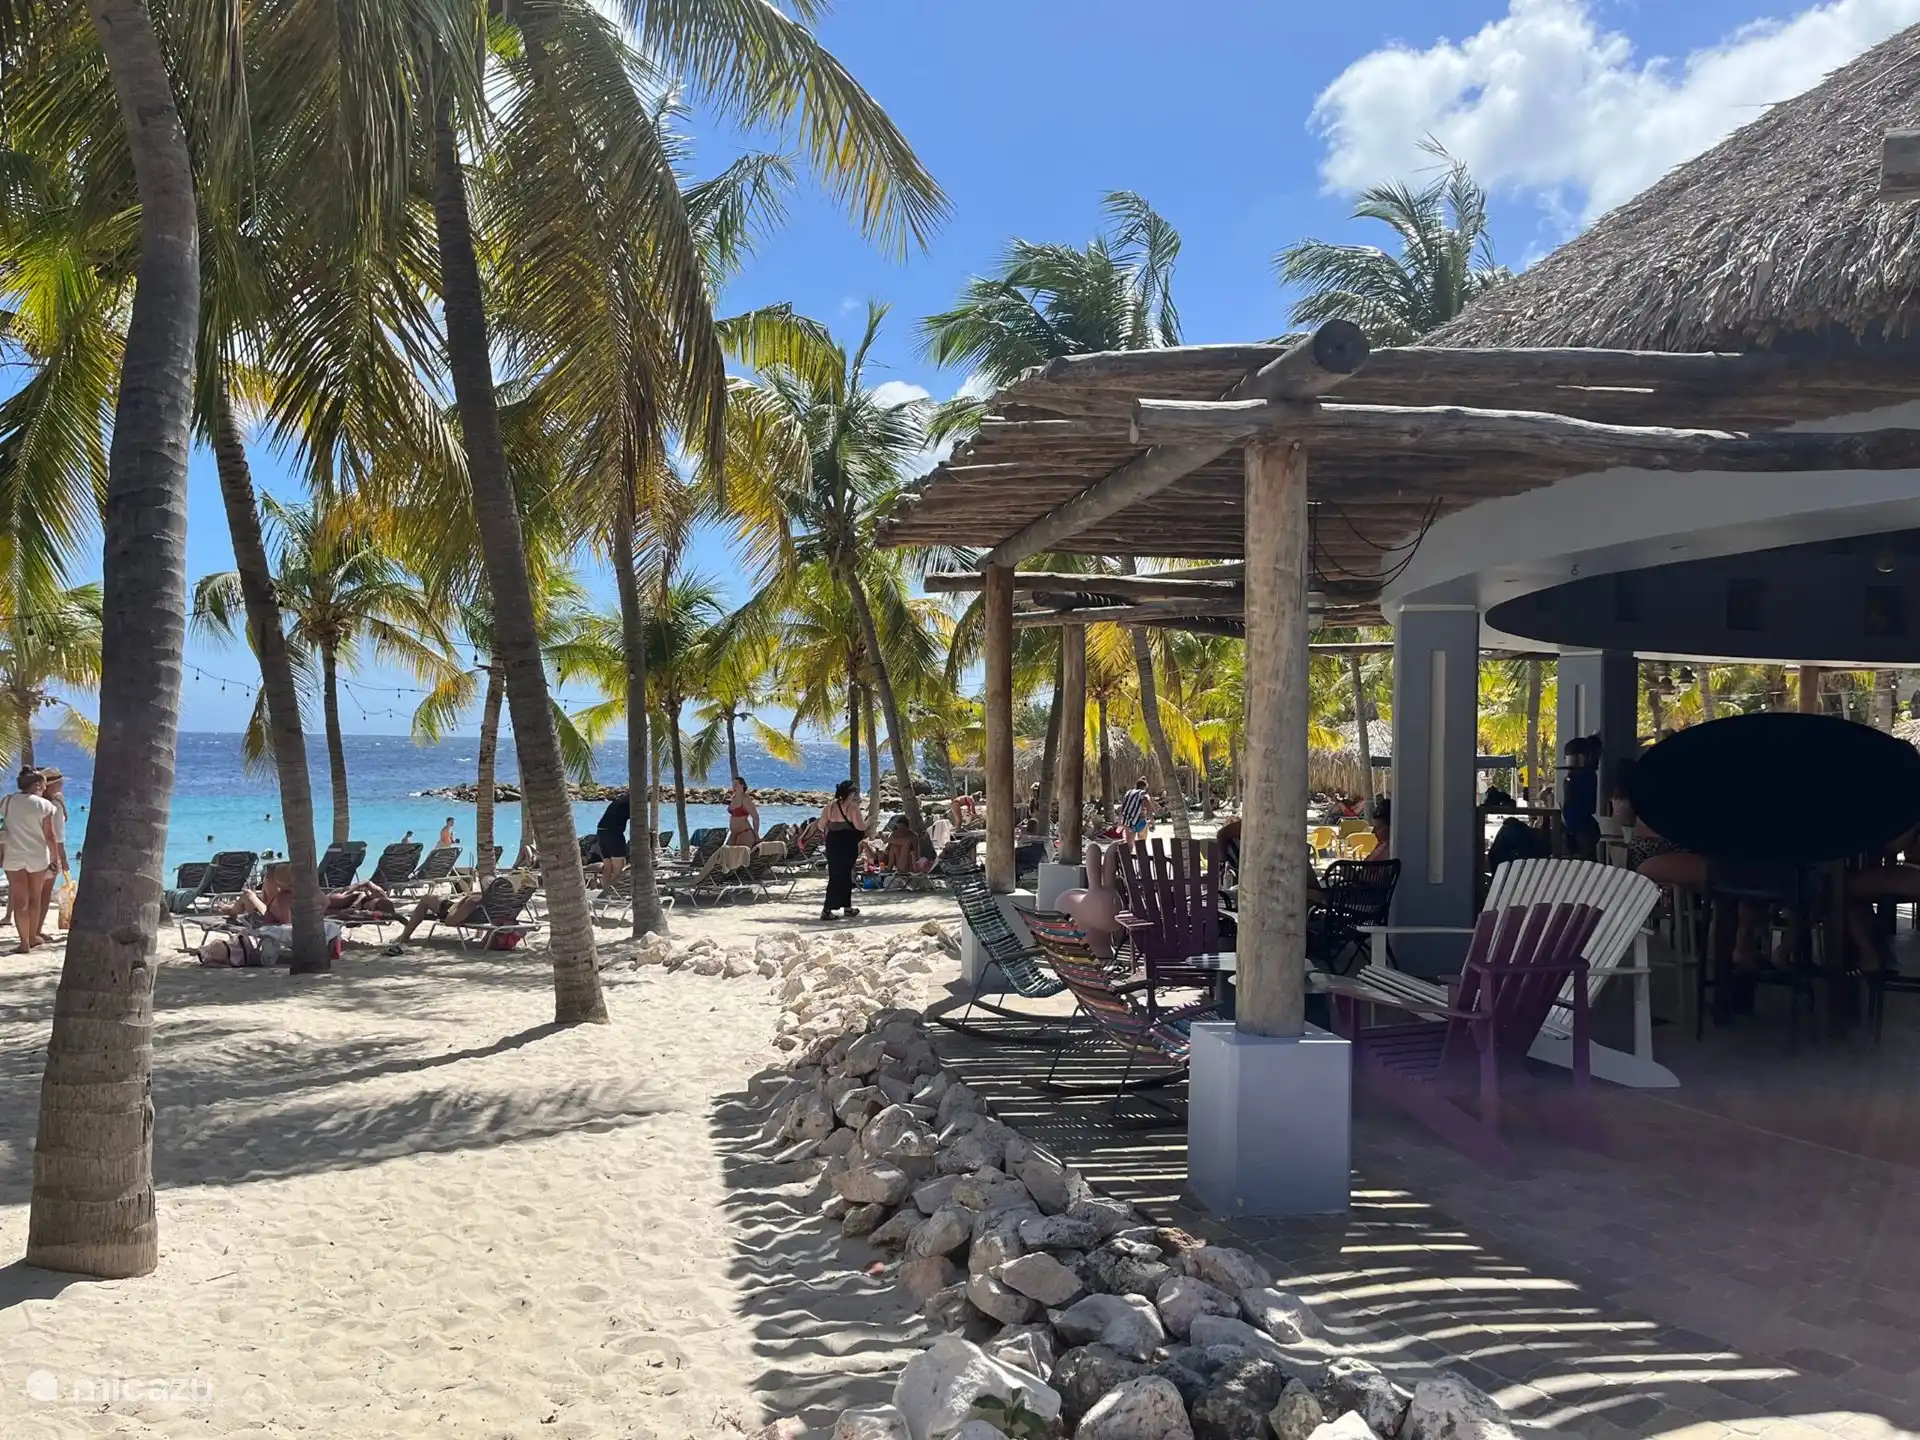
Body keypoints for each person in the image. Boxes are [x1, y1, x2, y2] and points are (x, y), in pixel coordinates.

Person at [1, 768, 62, 953]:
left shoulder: (7, 801)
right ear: (36, 785)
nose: (44, 789)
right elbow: (50, 835)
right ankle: (33, 936)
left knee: (20, 900)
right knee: (35, 898)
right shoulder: (44, 805)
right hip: (37, 856)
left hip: (13, 855)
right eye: (43, 785)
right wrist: (56, 858)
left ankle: (24, 943)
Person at [820, 780, 864, 921]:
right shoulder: (853, 807)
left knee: (836, 874)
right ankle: (827, 909)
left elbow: (821, 825)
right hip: (848, 842)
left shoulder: (830, 806)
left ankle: (847, 907)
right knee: (844, 875)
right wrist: (869, 822)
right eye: (855, 792)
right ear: (851, 793)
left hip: (833, 842)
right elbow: (860, 827)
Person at [37, 767, 69, 937]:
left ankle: (33, 930)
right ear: (52, 785)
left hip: (35, 852)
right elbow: (57, 836)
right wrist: (62, 859)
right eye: (59, 783)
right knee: (44, 895)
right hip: (51, 853)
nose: (62, 784)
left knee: (35, 894)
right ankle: (37, 930)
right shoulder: (53, 807)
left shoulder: (40, 803)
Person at [1561, 735, 1601, 861]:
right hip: (1583, 828)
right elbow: (1591, 807)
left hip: (1574, 828)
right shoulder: (1588, 776)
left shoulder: (1571, 778)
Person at [594, 793, 631, 887]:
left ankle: (606, 891)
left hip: (601, 832)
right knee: (618, 867)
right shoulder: (630, 804)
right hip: (613, 833)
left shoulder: (618, 801)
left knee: (608, 866)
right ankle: (614, 891)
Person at [726, 777, 761, 848]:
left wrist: (756, 835)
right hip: (733, 833)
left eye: (736, 784)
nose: (734, 787)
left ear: (742, 786)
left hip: (744, 832)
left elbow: (755, 817)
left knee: (739, 853)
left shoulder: (745, 799)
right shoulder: (734, 797)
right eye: (733, 785)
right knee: (730, 854)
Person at [1119, 777, 1153, 845]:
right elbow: (1149, 812)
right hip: (1141, 820)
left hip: (1128, 822)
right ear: (1145, 787)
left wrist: (1120, 821)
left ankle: (1129, 852)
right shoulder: (1144, 795)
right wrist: (1153, 824)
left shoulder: (1128, 794)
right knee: (1141, 845)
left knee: (1129, 845)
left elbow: (1123, 808)